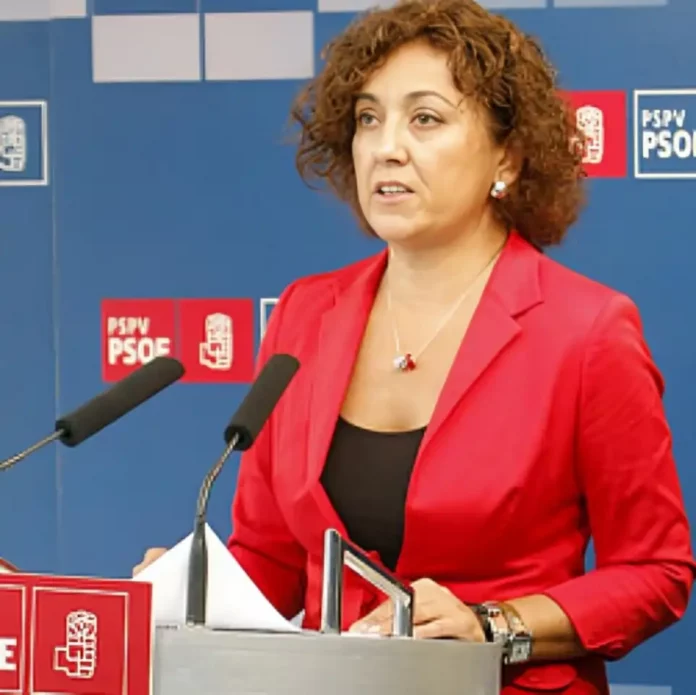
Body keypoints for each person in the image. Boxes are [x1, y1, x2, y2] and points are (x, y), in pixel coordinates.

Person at [133, 0, 695, 692]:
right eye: (369, 118)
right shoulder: (305, 313)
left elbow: (656, 572)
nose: (386, 146)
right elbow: (271, 559)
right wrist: (189, 595)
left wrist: (494, 626)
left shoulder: (587, 329)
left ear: (508, 156)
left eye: (424, 118)